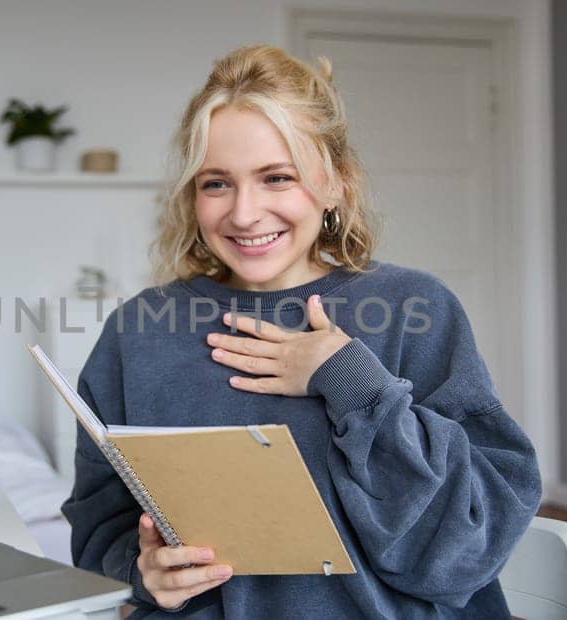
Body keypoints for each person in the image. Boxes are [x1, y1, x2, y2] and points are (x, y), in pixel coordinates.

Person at [60, 44, 541, 618]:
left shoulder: (415, 308)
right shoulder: (137, 331)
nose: (243, 213)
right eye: (216, 183)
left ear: (336, 183)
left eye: (276, 178)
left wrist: (350, 380)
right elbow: (99, 526)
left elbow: (466, 548)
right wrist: (141, 572)